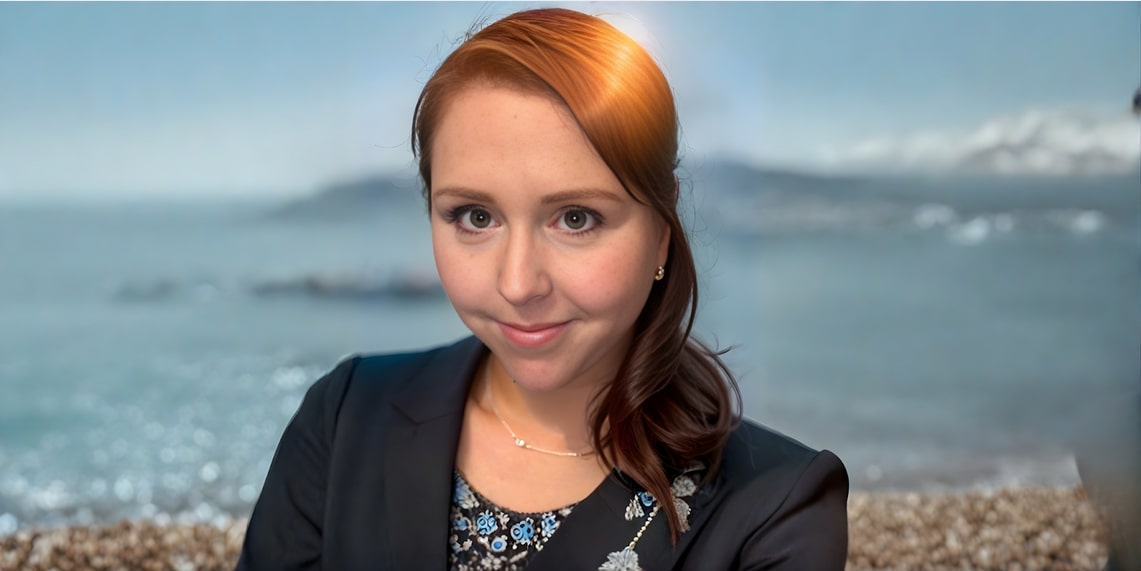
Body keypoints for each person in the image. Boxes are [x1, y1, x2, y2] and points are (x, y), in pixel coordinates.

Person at [236, 8, 848, 570]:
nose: (518, 284)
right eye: (475, 217)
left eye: (576, 218)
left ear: (662, 230)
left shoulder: (776, 509)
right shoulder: (346, 417)